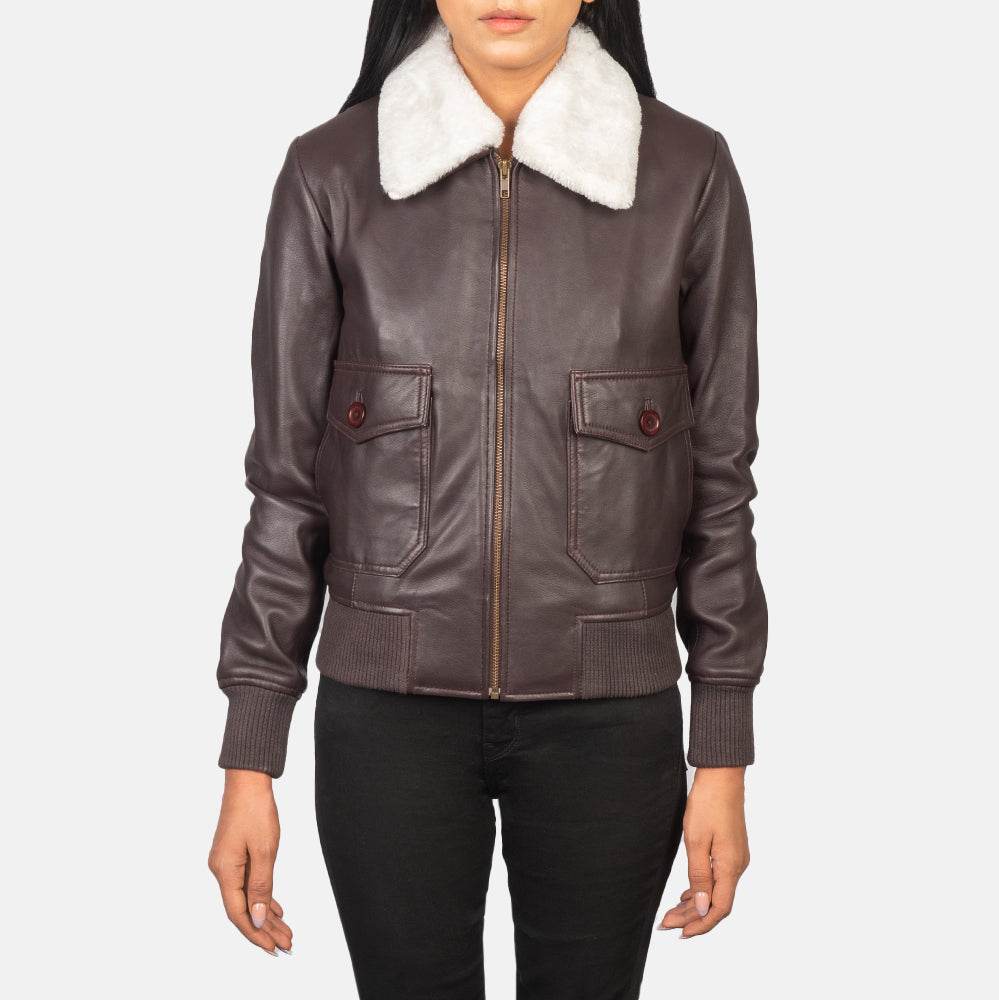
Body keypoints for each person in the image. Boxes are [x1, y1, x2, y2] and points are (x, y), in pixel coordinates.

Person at [208, 1, 767, 996]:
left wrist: (721, 749)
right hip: (386, 722)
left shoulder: (688, 173)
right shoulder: (330, 173)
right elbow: (287, 486)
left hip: (611, 721)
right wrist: (251, 752)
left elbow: (718, 484)